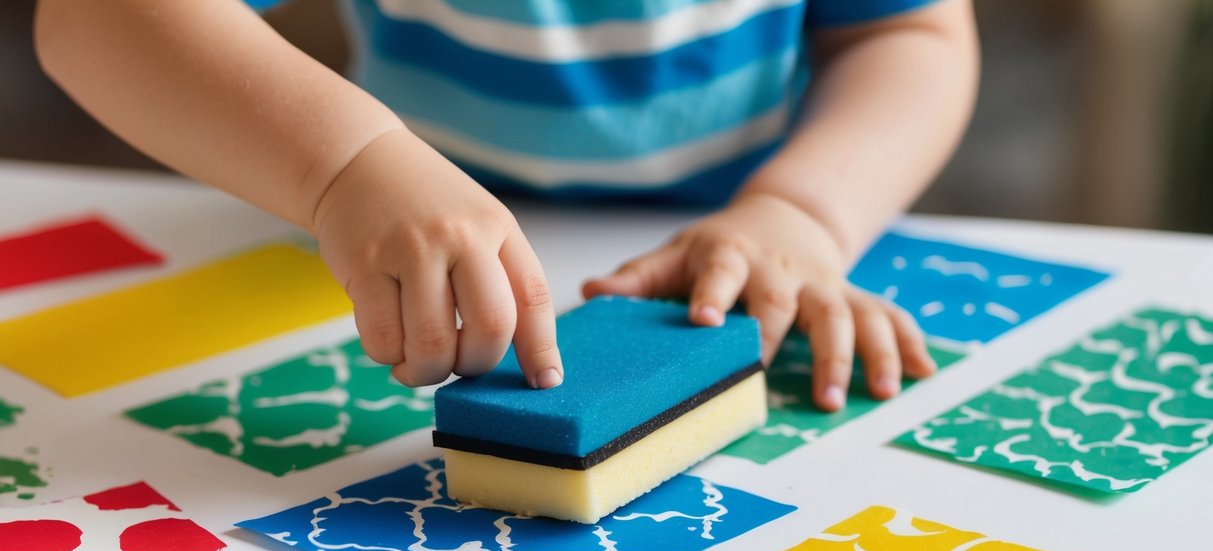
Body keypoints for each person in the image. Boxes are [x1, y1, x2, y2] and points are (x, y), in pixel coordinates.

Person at [33, 0, 978, 411]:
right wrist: (346, 168)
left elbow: (908, 34)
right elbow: (90, 20)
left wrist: (804, 213)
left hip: (758, 248)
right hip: (386, 245)